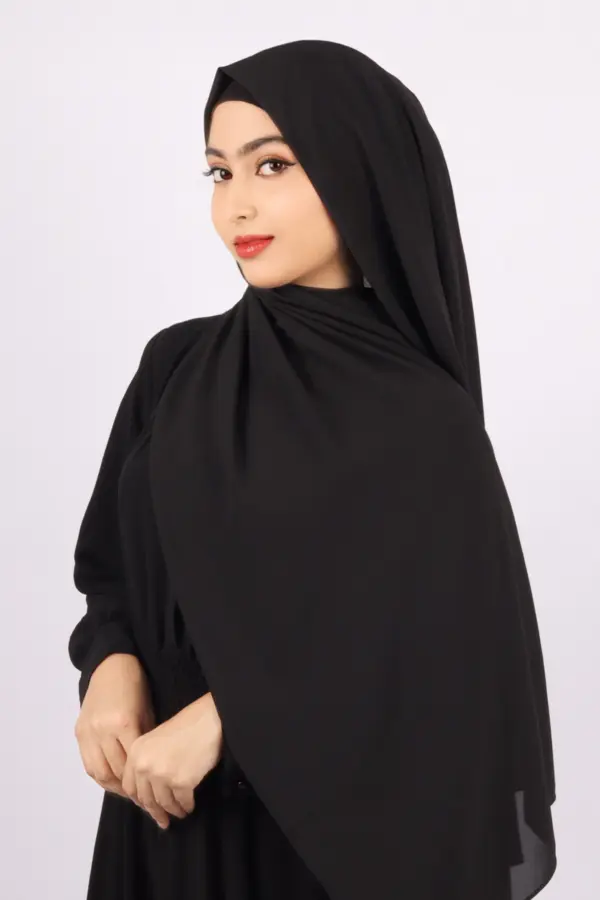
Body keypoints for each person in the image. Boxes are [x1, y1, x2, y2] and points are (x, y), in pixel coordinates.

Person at [68, 39, 558, 900]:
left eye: (275, 165)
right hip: (161, 818)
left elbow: (431, 656)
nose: (238, 205)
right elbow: (111, 568)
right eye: (219, 172)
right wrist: (111, 668)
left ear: (358, 170)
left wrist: (225, 721)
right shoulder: (174, 368)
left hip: (322, 845)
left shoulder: (421, 417)